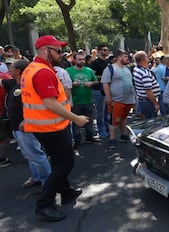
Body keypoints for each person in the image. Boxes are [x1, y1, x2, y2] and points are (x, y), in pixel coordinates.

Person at [20, 35, 89, 221]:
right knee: (66, 163)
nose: (61, 54)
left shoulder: (32, 69)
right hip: (51, 128)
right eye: (57, 51)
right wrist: (76, 118)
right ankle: (44, 204)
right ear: (45, 51)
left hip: (43, 126)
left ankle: (66, 191)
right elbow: (49, 103)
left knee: (58, 161)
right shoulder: (43, 72)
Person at [0, 59, 51, 188]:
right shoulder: (13, 83)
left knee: (36, 154)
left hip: (26, 126)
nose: (8, 69)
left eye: (11, 67)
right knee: (29, 155)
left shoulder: (28, 84)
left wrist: (27, 120)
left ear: (18, 71)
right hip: (16, 126)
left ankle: (48, 183)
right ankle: (37, 178)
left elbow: (40, 104)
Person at [101, 49, 136, 150]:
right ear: (119, 57)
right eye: (125, 56)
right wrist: (108, 97)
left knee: (123, 118)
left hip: (128, 100)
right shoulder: (110, 69)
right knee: (114, 120)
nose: (127, 58)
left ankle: (124, 134)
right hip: (116, 100)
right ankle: (112, 139)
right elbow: (105, 83)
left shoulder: (127, 68)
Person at [66, 53, 100, 154]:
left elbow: (96, 81)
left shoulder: (88, 70)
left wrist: (91, 83)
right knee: (76, 122)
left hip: (88, 100)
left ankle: (89, 137)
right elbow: (63, 84)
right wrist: (72, 84)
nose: (81, 61)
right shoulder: (69, 71)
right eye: (79, 59)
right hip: (75, 101)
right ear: (74, 60)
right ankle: (77, 141)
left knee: (89, 120)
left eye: (83, 59)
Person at [90, 44, 110, 138]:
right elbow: (92, 76)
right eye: (104, 50)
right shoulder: (95, 63)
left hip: (107, 90)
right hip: (98, 90)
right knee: (100, 112)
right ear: (99, 51)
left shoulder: (108, 62)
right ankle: (100, 130)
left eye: (107, 50)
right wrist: (103, 77)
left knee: (107, 111)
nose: (106, 52)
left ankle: (107, 127)